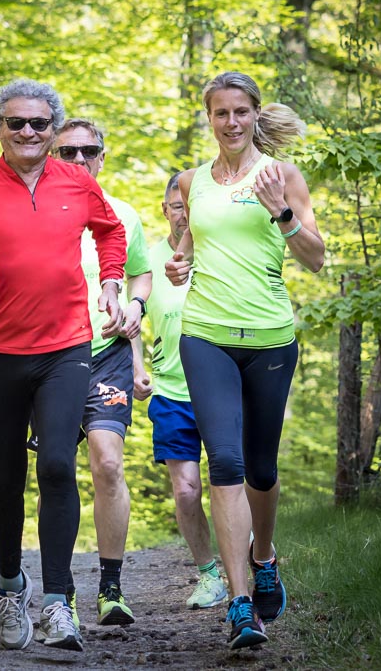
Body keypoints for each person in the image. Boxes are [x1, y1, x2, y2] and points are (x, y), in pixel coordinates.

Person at [0, 79, 127, 653]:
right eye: (18, 123)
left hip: (66, 348)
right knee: (5, 476)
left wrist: (112, 280)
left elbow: (111, 233)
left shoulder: (77, 182)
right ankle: (12, 586)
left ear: (53, 128)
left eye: (41, 124)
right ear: (0, 128)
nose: (30, 133)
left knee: (60, 465)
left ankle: (59, 602)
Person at [165, 72, 325, 650]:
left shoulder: (282, 176)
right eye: (219, 113)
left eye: (240, 112)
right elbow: (188, 248)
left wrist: (283, 213)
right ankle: (239, 605)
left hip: (269, 340)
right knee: (225, 463)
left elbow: (316, 259)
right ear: (208, 118)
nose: (230, 122)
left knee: (261, 467)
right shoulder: (191, 182)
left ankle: (265, 556)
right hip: (205, 336)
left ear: (256, 114)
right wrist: (179, 266)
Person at [47, 118, 152, 626]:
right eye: (67, 152)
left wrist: (136, 305)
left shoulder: (123, 213)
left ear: (103, 158)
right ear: (51, 154)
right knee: (56, 470)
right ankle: (58, 589)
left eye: (89, 152)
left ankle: (110, 587)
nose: (78, 161)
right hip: (47, 355)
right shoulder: (34, 208)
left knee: (108, 464)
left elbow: (143, 270)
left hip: (105, 352)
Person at [132, 173, 228, 611]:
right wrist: (136, 368)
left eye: (191, 205)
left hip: (224, 388)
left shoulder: (221, 250)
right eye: (176, 205)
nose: (184, 212)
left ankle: (249, 558)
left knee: (232, 483)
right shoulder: (150, 259)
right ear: (164, 209)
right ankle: (209, 575)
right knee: (187, 491)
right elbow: (132, 319)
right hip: (171, 391)